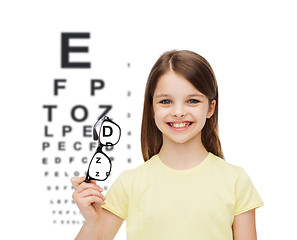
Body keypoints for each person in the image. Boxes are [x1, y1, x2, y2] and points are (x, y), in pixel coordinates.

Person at [71, 50, 264, 240]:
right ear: (152, 108)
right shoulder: (129, 183)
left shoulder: (236, 181)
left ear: (210, 108)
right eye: (166, 101)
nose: (178, 112)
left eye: (192, 101)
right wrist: (91, 222)